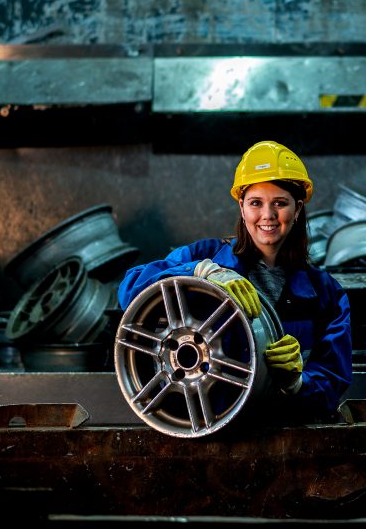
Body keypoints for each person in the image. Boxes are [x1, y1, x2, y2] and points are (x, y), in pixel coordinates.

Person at [116, 140, 352, 423]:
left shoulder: (325, 293)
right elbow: (130, 289)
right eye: (256, 203)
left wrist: (298, 384)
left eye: (280, 203)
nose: (268, 215)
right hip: (214, 430)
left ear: (298, 208)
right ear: (242, 207)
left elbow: (333, 382)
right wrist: (201, 272)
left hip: (286, 434)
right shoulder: (203, 256)